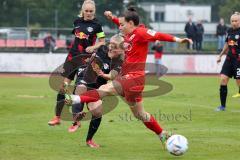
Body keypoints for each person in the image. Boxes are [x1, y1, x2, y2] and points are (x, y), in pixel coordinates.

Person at [65, 7, 192, 147]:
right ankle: (162, 134)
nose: (120, 27)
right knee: (140, 114)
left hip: (134, 78)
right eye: (119, 24)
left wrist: (179, 40)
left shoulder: (141, 32)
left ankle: (75, 99)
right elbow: (119, 24)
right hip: (131, 81)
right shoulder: (127, 34)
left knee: (105, 88)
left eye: (122, 24)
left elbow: (159, 35)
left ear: (131, 23)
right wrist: (112, 18)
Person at [48, 0, 105, 127]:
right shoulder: (76, 22)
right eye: (87, 11)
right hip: (72, 58)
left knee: (79, 89)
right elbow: (77, 38)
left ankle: (76, 120)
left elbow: (102, 41)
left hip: (85, 60)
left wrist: (93, 47)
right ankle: (57, 117)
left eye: (91, 11)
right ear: (83, 11)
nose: (89, 13)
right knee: (62, 87)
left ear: (94, 11)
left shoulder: (97, 25)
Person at [68, 34, 124, 148]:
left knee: (98, 111)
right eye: (111, 45)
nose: (111, 47)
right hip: (85, 79)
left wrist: (104, 75)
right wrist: (93, 54)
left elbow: (112, 75)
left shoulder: (119, 61)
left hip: (97, 88)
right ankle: (76, 119)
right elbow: (93, 59)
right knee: (80, 89)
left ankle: (89, 140)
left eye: (115, 46)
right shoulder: (102, 49)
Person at [216, 12, 240, 111]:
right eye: (232, 21)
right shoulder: (229, 30)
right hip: (229, 59)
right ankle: (222, 106)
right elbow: (227, 43)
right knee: (223, 79)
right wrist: (220, 55)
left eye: (236, 21)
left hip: (238, 60)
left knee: (239, 82)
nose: (234, 23)